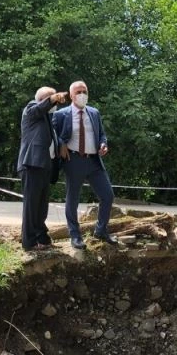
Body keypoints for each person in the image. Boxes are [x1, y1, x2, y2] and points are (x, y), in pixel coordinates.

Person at [52, 80, 117, 250]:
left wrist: (103, 144)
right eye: (78, 92)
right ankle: (75, 235)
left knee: (108, 195)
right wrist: (61, 143)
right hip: (73, 160)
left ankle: (101, 231)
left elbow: (101, 134)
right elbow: (52, 134)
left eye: (85, 91)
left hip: (94, 161)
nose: (82, 95)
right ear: (71, 95)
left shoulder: (94, 113)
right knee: (72, 199)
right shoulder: (61, 114)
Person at [17, 86, 68, 251]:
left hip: (45, 166)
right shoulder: (31, 109)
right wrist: (53, 98)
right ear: (42, 100)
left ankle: (42, 238)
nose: (55, 103)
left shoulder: (48, 118)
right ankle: (29, 243)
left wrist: (61, 144)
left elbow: (53, 138)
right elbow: (38, 109)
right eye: (51, 99)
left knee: (41, 207)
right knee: (32, 206)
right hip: (32, 164)